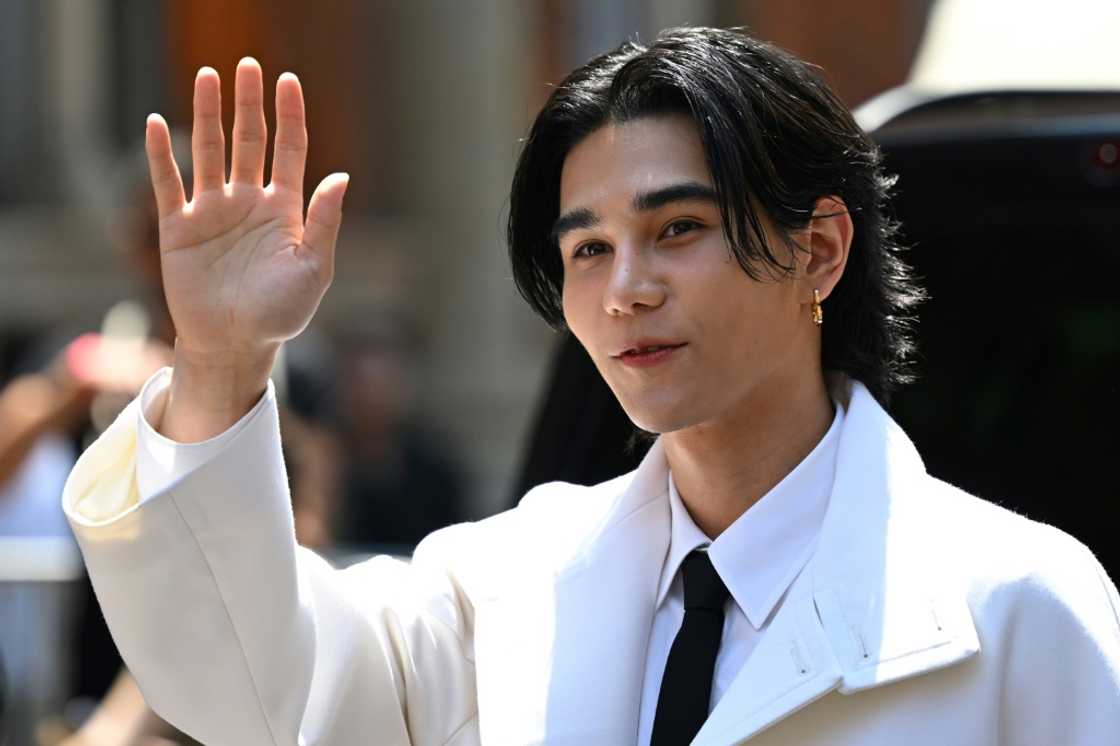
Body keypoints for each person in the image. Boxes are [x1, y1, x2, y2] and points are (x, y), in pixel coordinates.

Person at [62, 27, 1119, 745]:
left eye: (678, 229)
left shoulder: (1020, 606)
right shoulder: (501, 586)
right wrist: (220, 362)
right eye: (585, 249)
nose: (626, 290)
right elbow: (260, 689)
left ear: (822, 250)